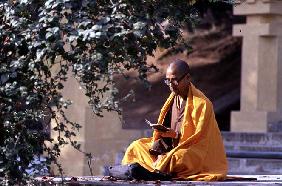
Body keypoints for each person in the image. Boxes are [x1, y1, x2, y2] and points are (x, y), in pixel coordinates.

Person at [121, 59, 228, 181]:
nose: (171, 85)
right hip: (170, 148)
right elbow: (166, 134)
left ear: (187, 78)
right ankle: (155, 170)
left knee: (178, 158)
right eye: (168, 81)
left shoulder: (202, 104)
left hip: (194, 151)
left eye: (175, 80)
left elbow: (199, 140)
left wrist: (175, 136)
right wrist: (163, 141)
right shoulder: (172, 100)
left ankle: (154, 171)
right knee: (136, 146)